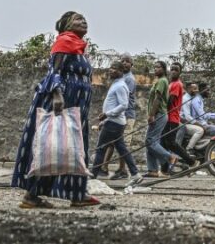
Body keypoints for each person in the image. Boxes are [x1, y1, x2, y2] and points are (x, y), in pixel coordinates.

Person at [11, 11, 99, 208]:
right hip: (62, 100)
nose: (83, 22)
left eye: (85, 19)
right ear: (67, 25)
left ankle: (77, 194)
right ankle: (31, 195)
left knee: (73, 147)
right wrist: (57, 95)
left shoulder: (79, 47)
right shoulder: (65, 41)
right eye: (78, 19)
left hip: (77, 104)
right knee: (53, 146)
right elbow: (54, 71)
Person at [90, 61, 143, 186]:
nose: (110, 70)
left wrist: (107, 114)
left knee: (101, 148)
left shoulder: (120, 86)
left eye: (113, 68)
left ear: (120, 71)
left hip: (114, 123)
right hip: (114, 122)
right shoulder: (117, 84)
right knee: (121, 148)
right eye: (110, 68)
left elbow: (124, 105)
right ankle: (135, 174)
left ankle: (93, 176)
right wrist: (105, 119)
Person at [101, 53, 137, 180]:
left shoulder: (128, 80)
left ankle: (123, 169)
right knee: (114, 142)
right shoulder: (120, 79)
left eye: (127, 61)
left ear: (131, 64)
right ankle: (104, 167)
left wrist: (108, 114)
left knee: (122, 143)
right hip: (119, 115)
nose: (125, 63)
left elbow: (124, 102)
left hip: (126, 114)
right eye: (123, 61)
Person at [160, 64, 197, 171]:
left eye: (176, 70)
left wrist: (159, 107)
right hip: (167, 117)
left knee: (170, 143)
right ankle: (165, 169)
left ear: (180, 72)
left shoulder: (177, 84)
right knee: (164, 143)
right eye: (172, 69)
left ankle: (191, 161)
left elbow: (169, 102)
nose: (173, 72)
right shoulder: (171, 83)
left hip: (172, 118)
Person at [144, 61, 178, 177]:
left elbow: (157, 99)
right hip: (159, 115)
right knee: (151, 142)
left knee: (149, 141)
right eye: (154, 67)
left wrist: (151, 115)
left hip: (159, 114)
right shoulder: (160, 81)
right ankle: (152, 170)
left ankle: (170, 157)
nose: (155, 69)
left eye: (158, 67)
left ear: (164, 69)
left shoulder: (162, 81)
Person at [177, 82, 205, 152]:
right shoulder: (185, 99)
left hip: (188, 122)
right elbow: (188, 117)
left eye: (197, 89)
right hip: (183, 123)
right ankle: (189, 149)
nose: (197, 91)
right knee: (200, 130)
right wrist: (199, 124)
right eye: (195, 89)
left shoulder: (192, 98)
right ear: (189, 89)